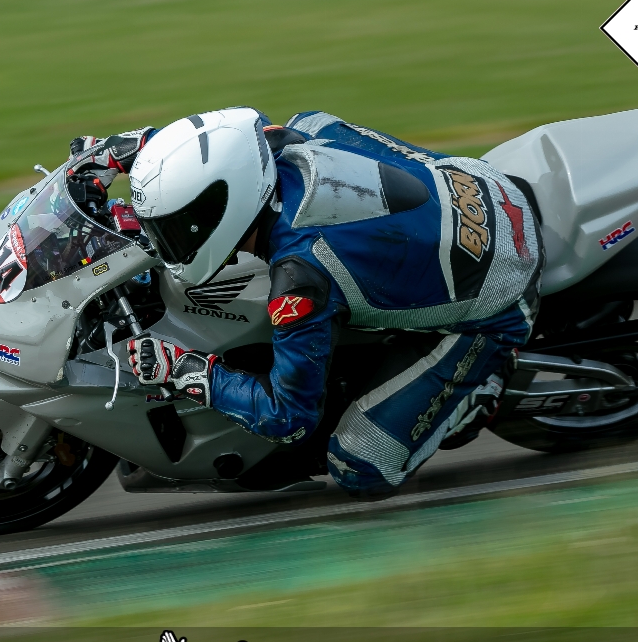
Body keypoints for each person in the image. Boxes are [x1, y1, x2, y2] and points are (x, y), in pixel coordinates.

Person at [66, 107, 543, 498]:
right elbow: (210, 150)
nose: (161, 239)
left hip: (500, 288)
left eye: (173, 227)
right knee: (312, 122)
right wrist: (124, 151)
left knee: (360, 465)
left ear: (223, 213)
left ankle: (482, 388)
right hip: (476, 186)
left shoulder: (300, 279)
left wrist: (186, 370)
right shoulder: (269, 143)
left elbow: (288, 418)